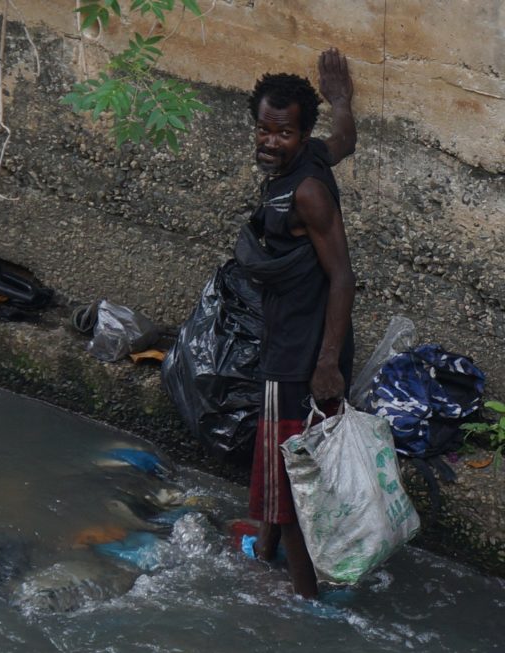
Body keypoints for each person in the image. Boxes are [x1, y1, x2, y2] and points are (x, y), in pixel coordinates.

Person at [237, 48, 357, 598]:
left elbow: (343, 276)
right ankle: (263, 553)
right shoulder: (308, 161)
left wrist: (327, 364)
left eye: (283, 133)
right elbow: (344, 143)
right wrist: (342, 101)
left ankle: (304, 600)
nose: (269, 142)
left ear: (300, 134)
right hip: (300, 345)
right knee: (285, 464)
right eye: (264, 129)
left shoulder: (306, 191)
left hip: (301, 355)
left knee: (290, 481)